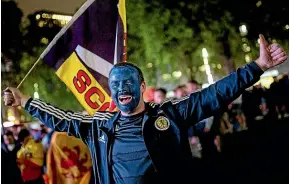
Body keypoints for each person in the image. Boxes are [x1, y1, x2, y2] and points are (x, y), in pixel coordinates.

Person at [3, 35, 287, 184]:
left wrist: (257, 67)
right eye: (115, 85)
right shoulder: (99, 124)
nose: (121, 89)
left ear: (142, 86)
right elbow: (61, 119)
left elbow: (212, 96)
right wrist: (25, 101)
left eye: (128, 82)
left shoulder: (169, 114)